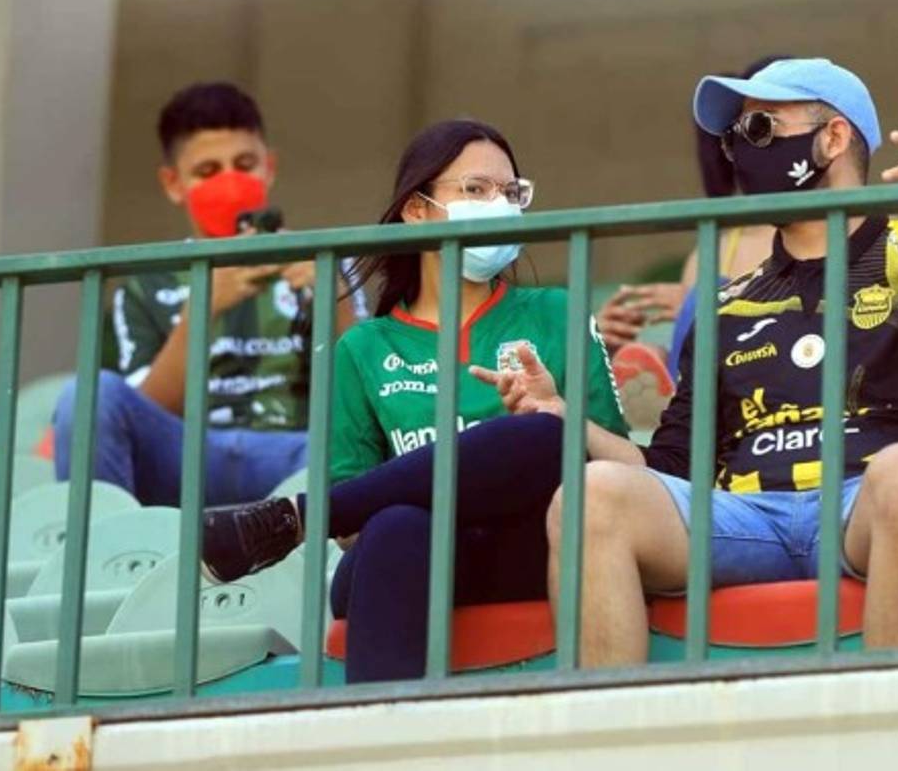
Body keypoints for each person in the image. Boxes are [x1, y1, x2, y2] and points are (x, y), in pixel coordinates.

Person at [485, 58, 898, 666]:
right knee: (589, 497)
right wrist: (563, 416)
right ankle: (607, 725)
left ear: (834, 137)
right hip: (749, 520)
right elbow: (673, 468)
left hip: (877, 507)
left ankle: (894, 720)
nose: (742, 153)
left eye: (762, 129)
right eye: (735, 138)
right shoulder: (729, 304)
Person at [199, 119, 629, 682]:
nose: (498, 205)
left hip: (530, 547)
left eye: (510, 192)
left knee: (545, 432)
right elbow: (352, 533)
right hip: (404, 555)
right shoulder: (363, 348)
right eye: (475, 189)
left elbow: (625, 469)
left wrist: (553, 418)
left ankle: (296, 519)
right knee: (398, 525)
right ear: (417, 209)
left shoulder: (558, 313)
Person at [52, 82, 358, 507]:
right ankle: (108, 546)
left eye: (244, 165)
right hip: (184, 456)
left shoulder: (324, 262)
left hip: (298, 455)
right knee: (86, 395)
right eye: (208, 171)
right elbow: (140, 415)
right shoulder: (147, 284)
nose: (229, 182)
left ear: (269, 168)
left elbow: (365, 397)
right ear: (173, 183)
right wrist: (203, 308)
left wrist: (334, 298)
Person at [608, 57, 783, 430]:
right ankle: (670, 396)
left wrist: (719, 299)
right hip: (721, 388)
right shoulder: (714, 247)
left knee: (709, 295)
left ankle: (673, 403)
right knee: (694, 308)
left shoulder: (842, 227)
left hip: (783, 374)